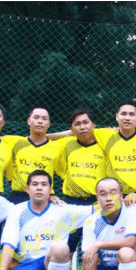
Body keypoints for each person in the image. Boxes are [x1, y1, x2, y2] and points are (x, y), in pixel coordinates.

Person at [0, 170, 93, 270]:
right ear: (27, 189)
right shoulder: (17, 211)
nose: (39, 188)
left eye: (44, 184)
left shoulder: (63, 209)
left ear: (50, 190)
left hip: (51, 264)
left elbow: (99, 209)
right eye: (35, 184)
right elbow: (8, 246)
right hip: (26, 266)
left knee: (60, 247)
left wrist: (122, 200)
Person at [54, 109, 106, 255]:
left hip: (97, 203)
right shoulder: (66, 144)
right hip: (71, 202)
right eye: (77, 124)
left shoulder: (104, 145)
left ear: (94, 125)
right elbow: (43, 140)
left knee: (96, 248)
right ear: (71, 128)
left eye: (85, 123)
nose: (82, 127)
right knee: (65, 247)